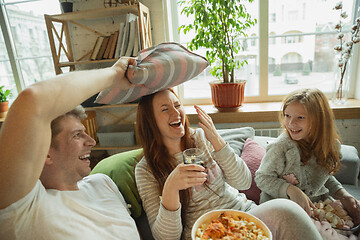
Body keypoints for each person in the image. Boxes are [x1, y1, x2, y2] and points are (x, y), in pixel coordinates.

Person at [134, 88, 323, 240]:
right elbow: (166, 237)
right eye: (165, 109)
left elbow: (244, 183)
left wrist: (216, 140)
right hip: (206, 232)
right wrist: (171, 188)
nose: (176, 113)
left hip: (244, 216)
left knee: (287, 209)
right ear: (150, 121)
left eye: (177, 105)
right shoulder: (145, 170)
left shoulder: (200, 138)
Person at [0, 57, 142, 239]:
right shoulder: (25, 209)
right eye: (77, 135)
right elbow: (33, 100)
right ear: (46, 153)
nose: (91, 141)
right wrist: (114, 75)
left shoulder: (102, 183)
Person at [255, 88, 360, 237]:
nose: (291, 123)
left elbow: (322, 177)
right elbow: (262, 178)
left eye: (300, 118)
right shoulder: (281, 147)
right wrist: (291, 190)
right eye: (287, 116)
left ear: (319, 119)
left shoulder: (331, 146)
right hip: (285, 208)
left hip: (320, 207)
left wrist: (343, 194)